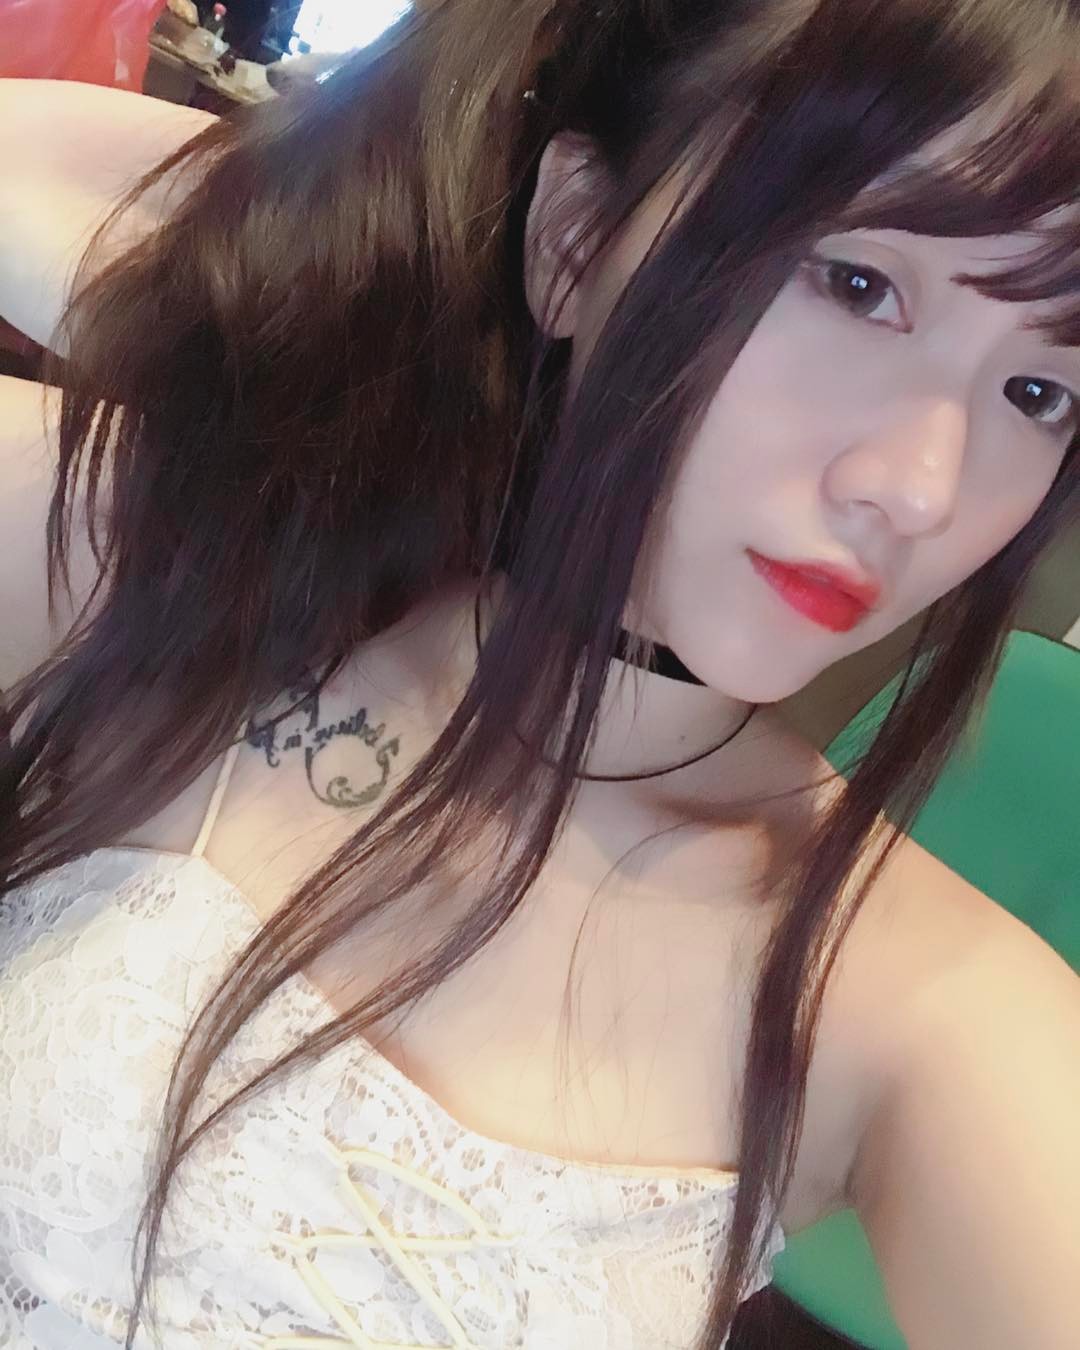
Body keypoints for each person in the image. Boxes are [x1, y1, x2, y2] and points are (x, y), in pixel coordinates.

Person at [0, 2, 1078, 1347]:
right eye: (858, 284)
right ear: (575, 236)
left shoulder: (920, 1002)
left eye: (1041, 392)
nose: (920, 490)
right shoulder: (178, 558)